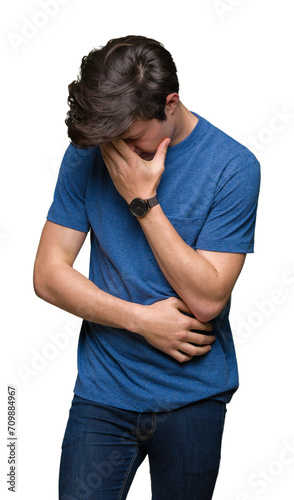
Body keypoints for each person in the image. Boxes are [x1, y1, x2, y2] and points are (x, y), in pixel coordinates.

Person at [33, 35, 260, 500]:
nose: (120, 151)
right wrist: (141, 322)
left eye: (133, 139)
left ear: (170, 104)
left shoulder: (234, 167)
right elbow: (48, 275)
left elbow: (206, 298)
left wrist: (143, 201)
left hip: (193, 396)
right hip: (103, 392)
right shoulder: (93, 149)